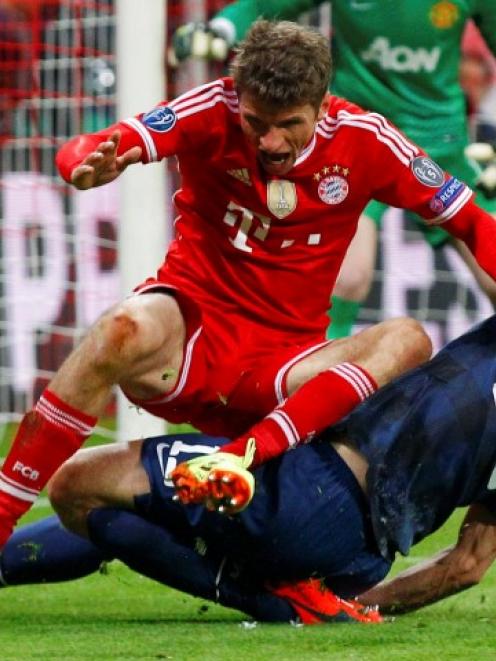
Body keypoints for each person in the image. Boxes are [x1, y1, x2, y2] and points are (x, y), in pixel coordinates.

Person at [3, 18, 496, 545]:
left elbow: (471, 220)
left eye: (289, 124)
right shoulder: (210, 110)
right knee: (120, 328)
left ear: (324, 105)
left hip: (284, 371)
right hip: (189, 343)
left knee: (407, 339)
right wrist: (85, 165)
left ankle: (242, 461)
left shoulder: (367, 142)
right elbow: (99, 144)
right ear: (238, 97)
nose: (271, 141)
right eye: (256, 122)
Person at [3, 314, 496, 624]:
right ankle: (305, 599)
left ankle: (269, 602)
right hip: (357, 562)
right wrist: (364, 603)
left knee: (77, 484)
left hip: (308, 493)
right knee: (140, 510)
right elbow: (467, 566)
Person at [172, 2, 496, 339]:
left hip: (439, 142)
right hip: (354, 135)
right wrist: (222, 30)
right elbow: (265, 5)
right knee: (346, 276)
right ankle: (308, 380)